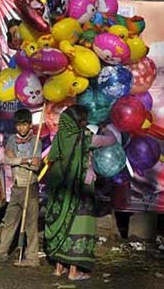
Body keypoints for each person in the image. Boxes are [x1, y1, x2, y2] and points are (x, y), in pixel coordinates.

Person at [44, 105, 116, 281]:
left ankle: (59, 268)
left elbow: (51, 157)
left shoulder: (60, 136)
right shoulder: (86, 138)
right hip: (82, 190)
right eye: (84, 120)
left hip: (60, 189)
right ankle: (74, 272)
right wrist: (107, 130)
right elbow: (110, 141)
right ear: (79, 122)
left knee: (61, 224)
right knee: (78, 226)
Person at [0, 108, 42, 267]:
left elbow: (36, 166)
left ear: (30, 125)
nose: (21, 128)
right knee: (9, 221)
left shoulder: (36, 141)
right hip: (16, 188)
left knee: (30, 225)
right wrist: (26, 160)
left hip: (30, 188)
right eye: (19, 125)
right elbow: (6, 160)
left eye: (24, 125)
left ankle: (32, 258)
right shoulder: (11, 140)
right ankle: (1, 253)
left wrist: (18, 159)